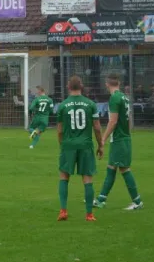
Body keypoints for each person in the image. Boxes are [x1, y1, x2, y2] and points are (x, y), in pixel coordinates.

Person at [56, 75, 103, 222]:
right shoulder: (90, 104)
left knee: (64, 176)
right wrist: (100, 144)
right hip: (86, 145)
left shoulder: (62, 105)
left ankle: (63, 211)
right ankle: (89, 214)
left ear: (68, 87)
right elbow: (96, 127)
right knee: (87, 178)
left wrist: (61, 145)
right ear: (81, 86)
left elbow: (59, 130)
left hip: (68, 145)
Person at [94, 74, 143, 211]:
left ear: (106, 84)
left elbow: (113, 121)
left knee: (124, 169)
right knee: (111, 168)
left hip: (119, 139)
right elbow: (128, 120)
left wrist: (102, 138)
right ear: (119, 83)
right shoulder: (124, 97)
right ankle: (101, 199)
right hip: (123, 137)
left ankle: (137, 201)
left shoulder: (114, 98)